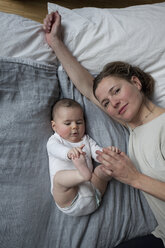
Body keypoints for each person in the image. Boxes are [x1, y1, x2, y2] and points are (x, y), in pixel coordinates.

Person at [43, 11, 165, 247]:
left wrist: (134, 178)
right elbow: (88, 87)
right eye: (106, 103)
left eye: (116, 91)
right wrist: (55, 42)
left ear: (136, 83)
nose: (113, 103)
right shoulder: (133, 125)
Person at [47, 98, 119, 216]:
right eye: (68, 123)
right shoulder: (55, 140)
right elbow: (55, 149)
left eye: (79, 122)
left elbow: (97, 152)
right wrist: (69, 153)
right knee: (58, 180)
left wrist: (106, 154)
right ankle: (81, 174)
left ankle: (108, 169)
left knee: (101, 171)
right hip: (69, 200)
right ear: (54, 126)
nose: (74, 127)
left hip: (94, 193)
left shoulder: (86, 140)